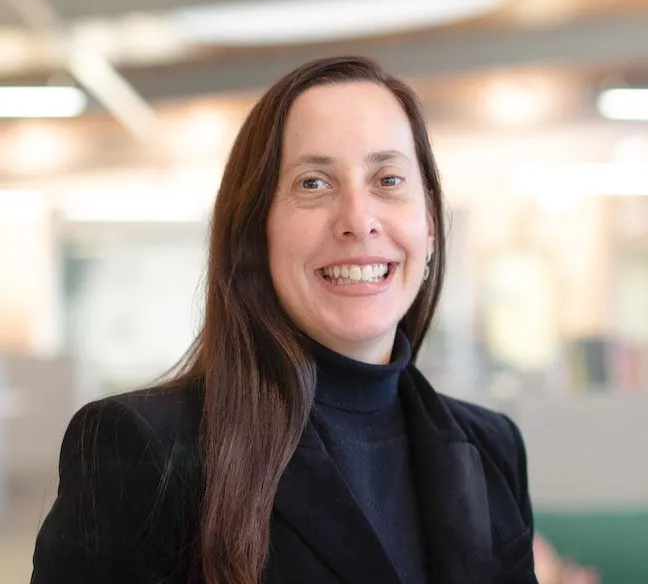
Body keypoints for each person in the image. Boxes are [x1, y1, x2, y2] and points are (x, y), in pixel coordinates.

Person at [30, 56, 537, 584]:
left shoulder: (491, 447)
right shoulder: (144, 448)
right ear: (255, 229)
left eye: (388, 179)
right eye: (314, 184)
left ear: (429, 224)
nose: (359, 220)